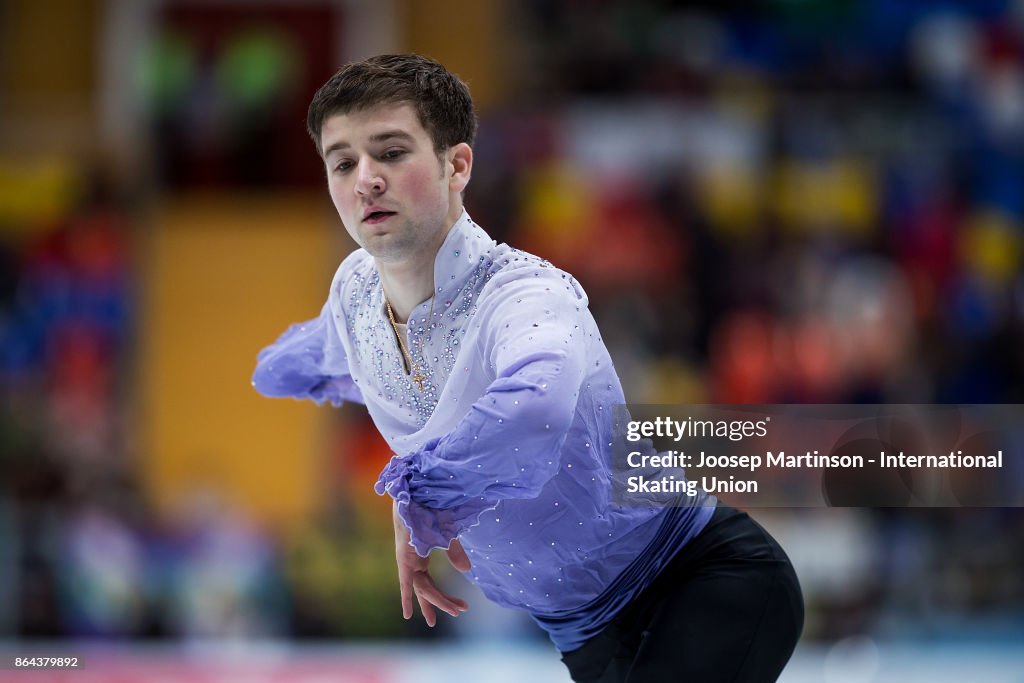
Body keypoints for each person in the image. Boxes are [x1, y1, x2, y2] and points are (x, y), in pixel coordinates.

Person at [252, 53, 803, 682]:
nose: (365, 180)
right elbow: (313, 355)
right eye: (343, 163)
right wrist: (272, 371)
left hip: (701, 581)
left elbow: (534, 405)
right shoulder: (353, 293)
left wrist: (424, 496)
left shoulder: (527, 295)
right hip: (587, 636)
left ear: (456, 164)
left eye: (392, 153)